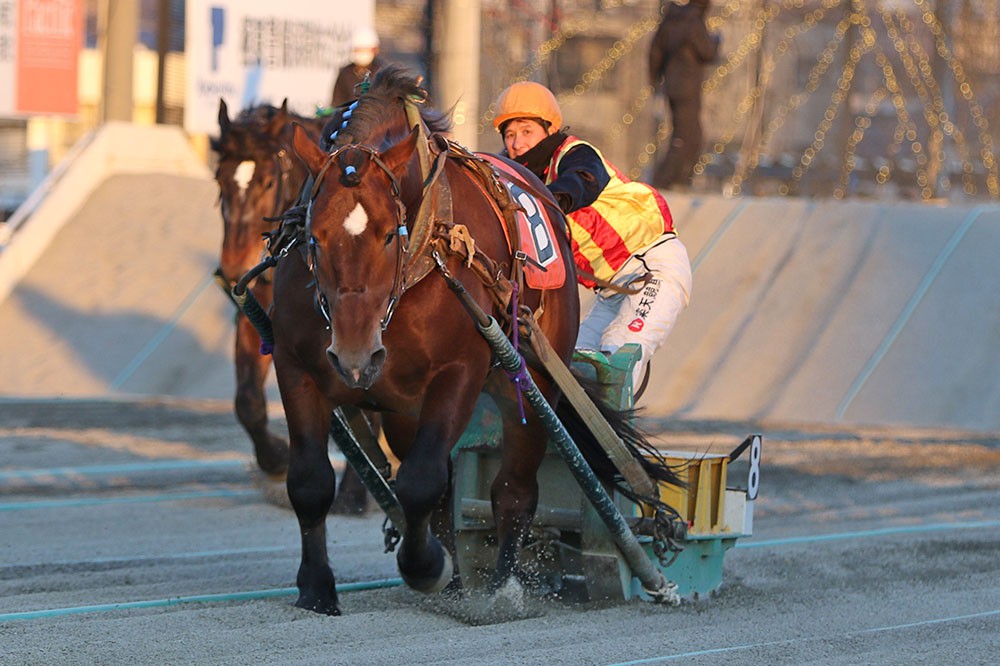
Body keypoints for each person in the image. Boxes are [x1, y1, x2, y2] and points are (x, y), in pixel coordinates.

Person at [493, 82, 693, 391]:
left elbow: (584, 180)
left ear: (548, 130)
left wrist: (549, 202)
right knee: (572, 368)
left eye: (526, 131)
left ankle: (615, 437)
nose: (517, 143)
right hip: (611, 294)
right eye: (509, 135)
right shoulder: (517, 184)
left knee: (616, 350)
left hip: (652, 270)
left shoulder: (573, 153)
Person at [648, 0, 721, 190]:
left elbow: (654, 53)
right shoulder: (693, 23)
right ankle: (666, 180)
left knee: (687, 134)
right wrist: (716, 40)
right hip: (687, 87)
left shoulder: (670, 21)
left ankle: (677, 178)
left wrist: (655, 82)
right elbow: (708, 53)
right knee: (688, 136)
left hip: (672, 86)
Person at [331, 27, 385, 107]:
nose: (360, 54)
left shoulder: (383, 71)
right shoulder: (346, 73)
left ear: (375, 50)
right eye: (357, 50)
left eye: (364, 50)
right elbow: (337, 103)